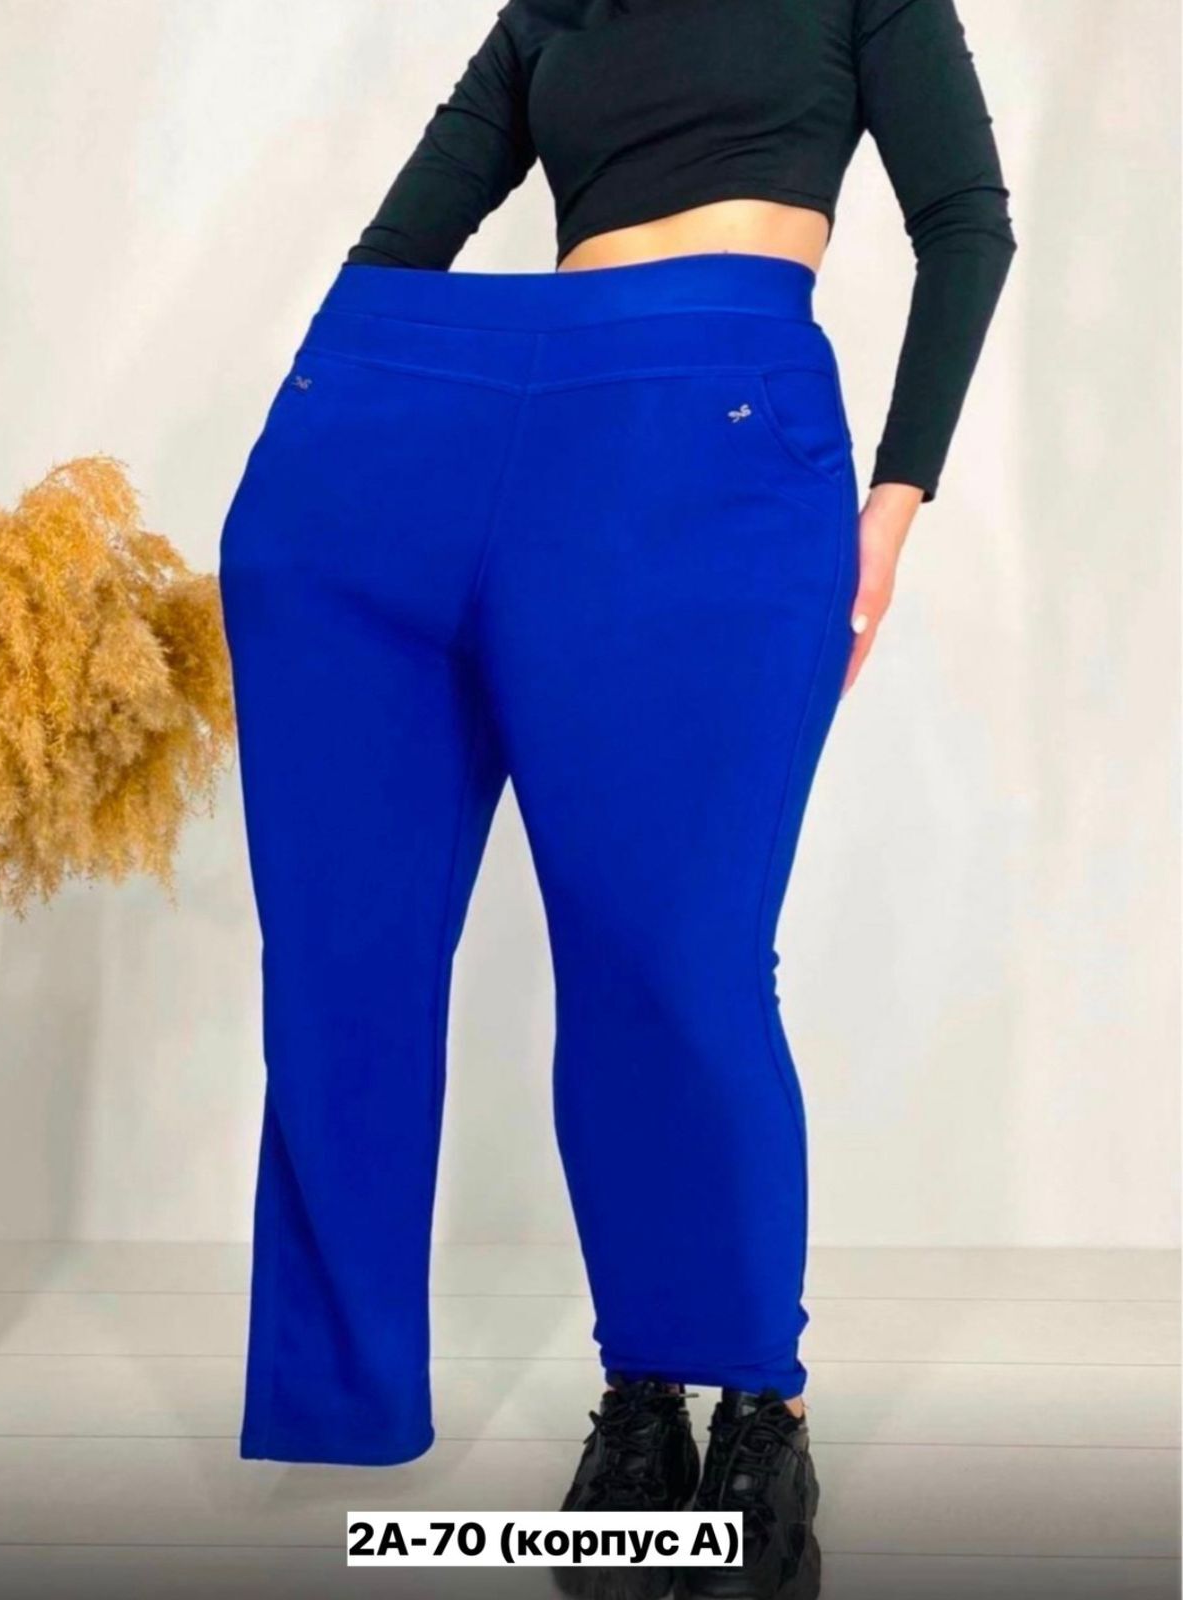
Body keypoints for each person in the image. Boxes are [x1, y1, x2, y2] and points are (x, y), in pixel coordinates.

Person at [217, 1, 1015, 1594]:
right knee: (341, 955)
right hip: (430, 429)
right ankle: (629, 1400)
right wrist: (325, 439)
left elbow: (965, 222)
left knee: (672, 958)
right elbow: (397, 255)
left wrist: (895, 498)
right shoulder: (551, 12)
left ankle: (759, 1405)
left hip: (708, 431)